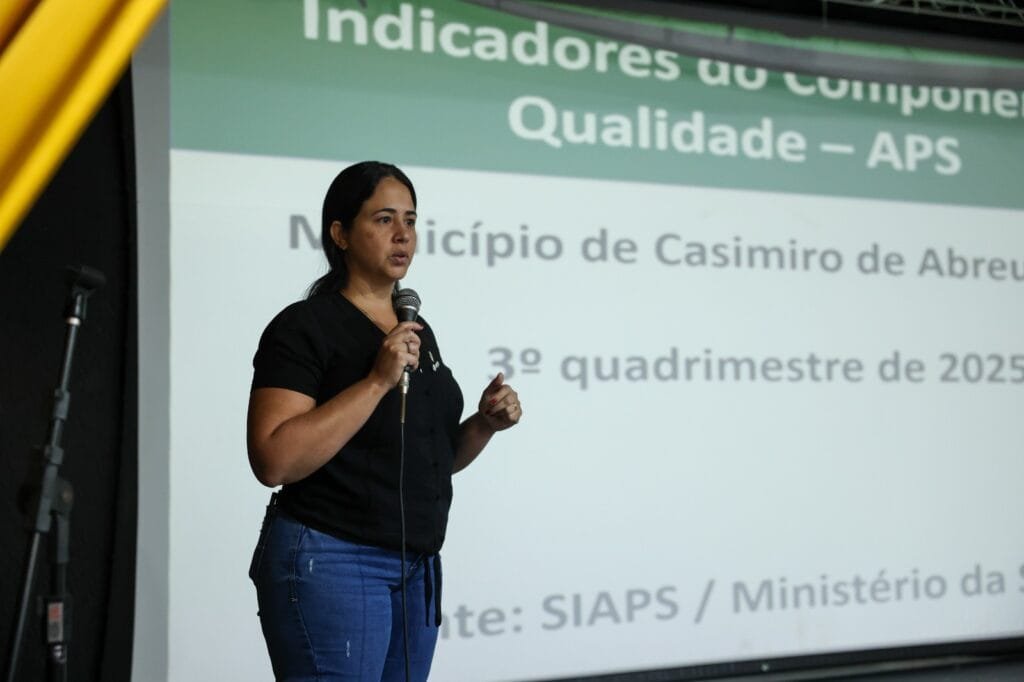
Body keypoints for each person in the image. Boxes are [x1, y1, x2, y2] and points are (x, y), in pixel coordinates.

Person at [245, 161, 521, 681]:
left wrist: (483, 424)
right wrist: (375, 381)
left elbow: (429, 458)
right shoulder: (304, 327)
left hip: (415, 565)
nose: (403, 235)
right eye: (384, 219)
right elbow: (274, 459)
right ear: (341, 234)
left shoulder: (416, 329)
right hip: (332, 559)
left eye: (412, 221)